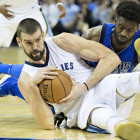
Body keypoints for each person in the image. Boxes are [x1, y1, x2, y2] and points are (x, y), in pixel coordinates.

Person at [12, 18, 140, 140]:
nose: (35, 47)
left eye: (38, 40)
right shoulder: (26, 79)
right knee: (97, 114)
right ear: (19, 42)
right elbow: (48, 124)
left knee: (122, 81)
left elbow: (112, 59)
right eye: (29, 42)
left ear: (44, 34)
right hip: (79, 109)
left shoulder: (62, 41)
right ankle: (121, 126)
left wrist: (83, 87)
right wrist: (33, 85)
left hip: (99, 85)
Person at [82, 1, 140, 74]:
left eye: (130, 30)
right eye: (121, 27)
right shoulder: (95, 35)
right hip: (89, 77)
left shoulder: (138, 42)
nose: (123, 33)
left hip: (120, 83)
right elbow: (74, 56)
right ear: (115, 22)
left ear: (137, 28)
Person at [0, 0, 66, 47]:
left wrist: (59, 3)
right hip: (5, 12)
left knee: (46, 42)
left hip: (32, 11)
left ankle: (47, 65)